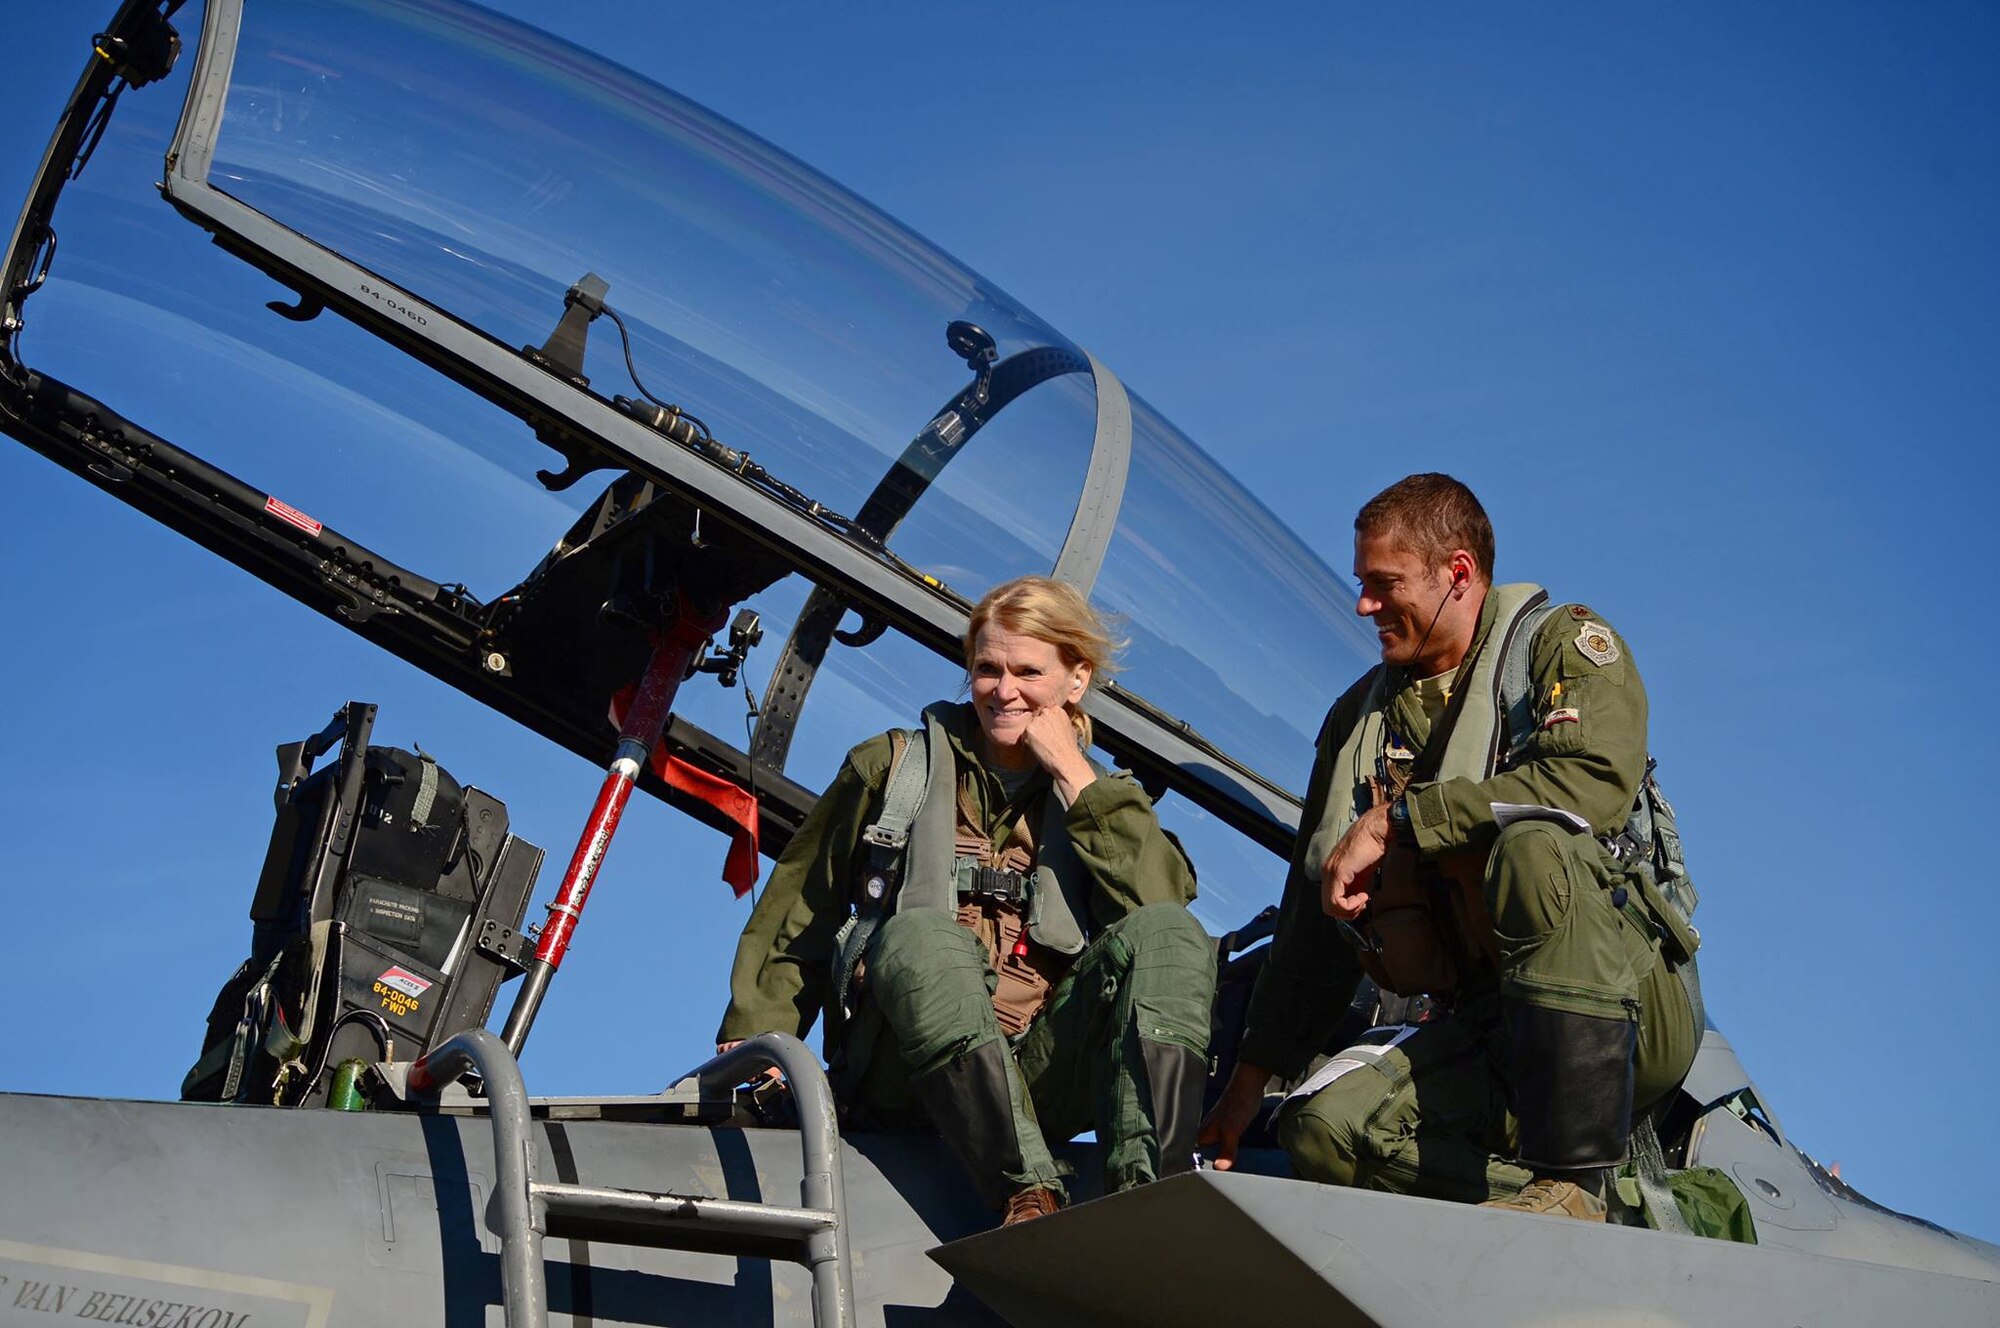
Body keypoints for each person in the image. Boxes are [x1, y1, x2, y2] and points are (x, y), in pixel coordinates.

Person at [1199, 474, 1700, 1222]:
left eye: (1383, 583)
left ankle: (1577, 1178)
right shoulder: (1359, 724)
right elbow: (1314, 919)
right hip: (1491, 1020)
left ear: (1457, 573)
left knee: (1534, 845)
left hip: (1625, 1002)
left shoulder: (1560, 648)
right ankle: (1603, 1215)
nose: (1365, 605)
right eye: (1361, 583)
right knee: (1324, 1132)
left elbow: (1588, 782)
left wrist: (1396, 822)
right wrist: (1243, 1090)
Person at [718, 575, 1215, 1225]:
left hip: (1039, 1074)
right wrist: (757, 1041)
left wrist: (1075, 775)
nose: (1003, 690)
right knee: (921, 935)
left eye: (1028, 671)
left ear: (1076, 679)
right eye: (987, 668)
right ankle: (1026, 1196)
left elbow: (1163, 917)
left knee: (1170, 932)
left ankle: (1152, 1201)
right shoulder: (891, 771)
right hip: (903, 1073)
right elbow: (800, 915)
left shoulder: (1103, 802)